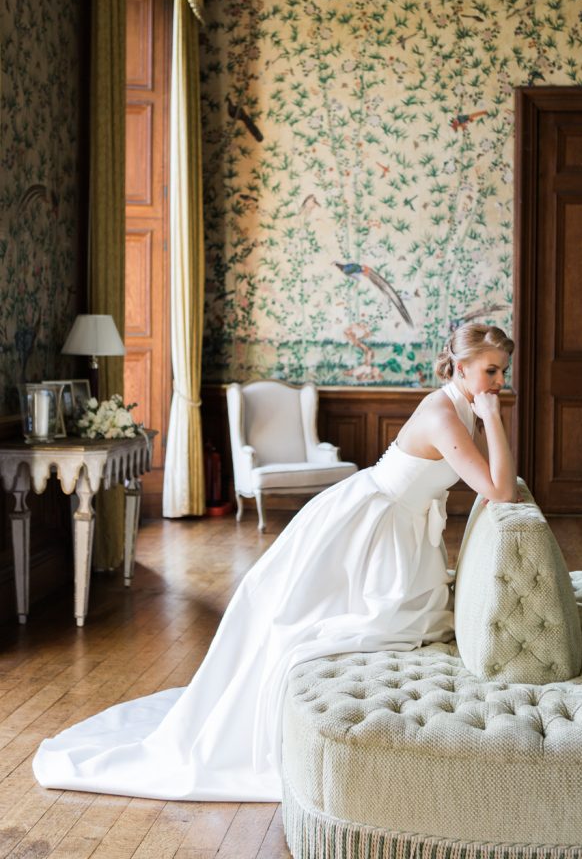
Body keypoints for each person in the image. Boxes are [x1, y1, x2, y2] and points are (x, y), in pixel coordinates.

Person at [33, 323, 517, 802]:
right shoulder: (444, 414)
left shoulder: (460, 406)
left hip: (398, 525)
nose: (499, 382)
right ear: (459, 365)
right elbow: (500, 490)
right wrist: (495, 417)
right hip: (373, 524)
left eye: (503, 372)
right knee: (308, 623)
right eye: (492, 371)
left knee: (392, 622)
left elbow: (497, 485)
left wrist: (488, 412)